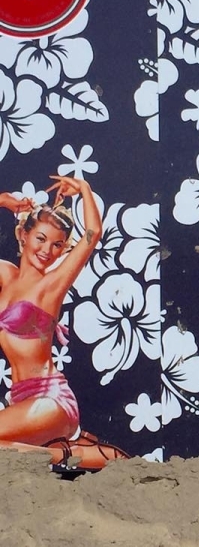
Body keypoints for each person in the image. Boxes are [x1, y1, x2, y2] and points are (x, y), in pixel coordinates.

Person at [0, 177, 128, 471]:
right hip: (22, 402)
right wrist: (4, 201)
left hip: (51, 400)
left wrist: (84, 189)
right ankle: (70, 450)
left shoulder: (52, 285)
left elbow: (93, 234)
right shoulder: (6, 274)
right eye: (41, 239)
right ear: (24, 235)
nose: (47, 250)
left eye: (57, 244)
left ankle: (68, 455)